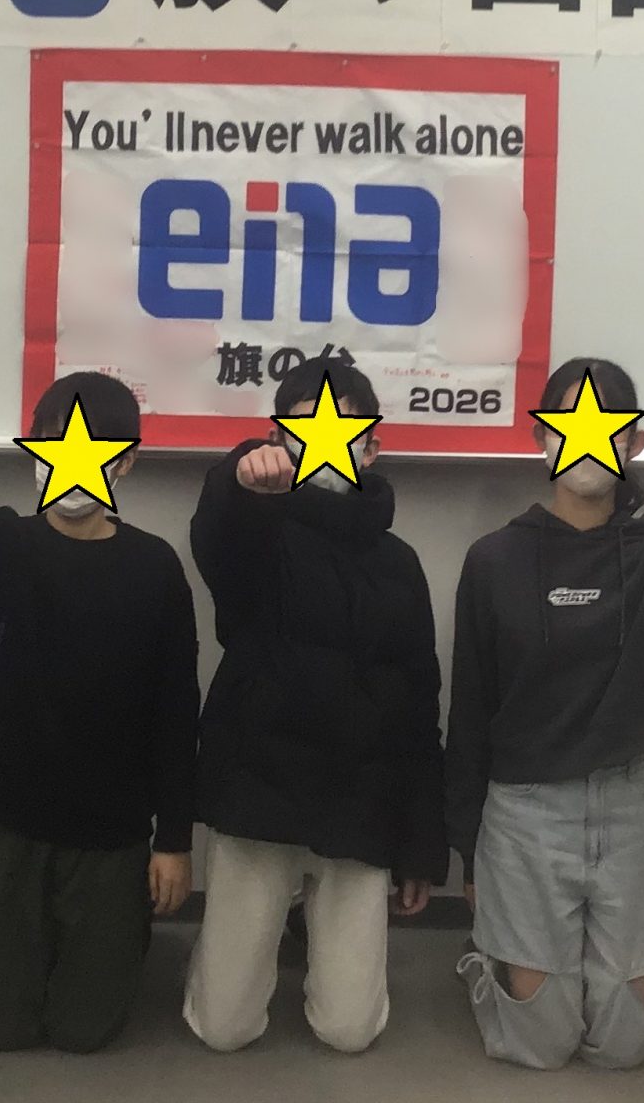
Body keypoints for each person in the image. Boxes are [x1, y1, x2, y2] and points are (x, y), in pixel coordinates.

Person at [447, 355, 644, 1071]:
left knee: (624, 1047)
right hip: (525, 811)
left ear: (635, 443)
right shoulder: (493, 559)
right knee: (540, 1045)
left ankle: (576, 968)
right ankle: (486, 962)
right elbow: (469, 710)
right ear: (540, 436)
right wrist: (469, 850)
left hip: (635, 807)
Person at [0, 372, 198, 1053]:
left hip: (110, 832)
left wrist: (173, 840)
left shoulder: (155, 567)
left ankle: (106, 939)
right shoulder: (7, 548)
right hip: (7, 818)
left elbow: (175, 709)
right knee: (1, 1026)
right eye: (56, 442)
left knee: (86, 1031)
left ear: (127, 462)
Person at [182, 358, 446, 1055]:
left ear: (373, 447)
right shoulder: (257, 532)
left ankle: (310, 929)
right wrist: (240, 477)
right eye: (300, 428)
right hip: (259, 792)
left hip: (358, 802)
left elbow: (420, 703)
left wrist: (419, 845)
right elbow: (218, 533)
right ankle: (251, 942)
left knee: (349, 1032)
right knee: (223, 1029)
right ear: (277, 439)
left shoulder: (400, 564)